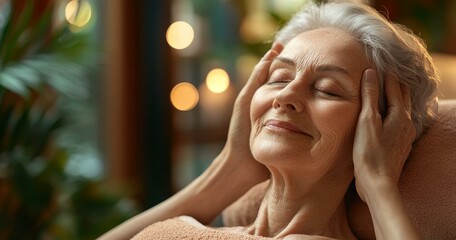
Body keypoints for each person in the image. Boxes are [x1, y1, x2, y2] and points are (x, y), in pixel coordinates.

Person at [99, 1, 439, 239]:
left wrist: (378, 185)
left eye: (328, 90)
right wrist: (230, 169)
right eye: (278, 77)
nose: (285, 96)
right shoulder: (188, 230)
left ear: (381, 131)